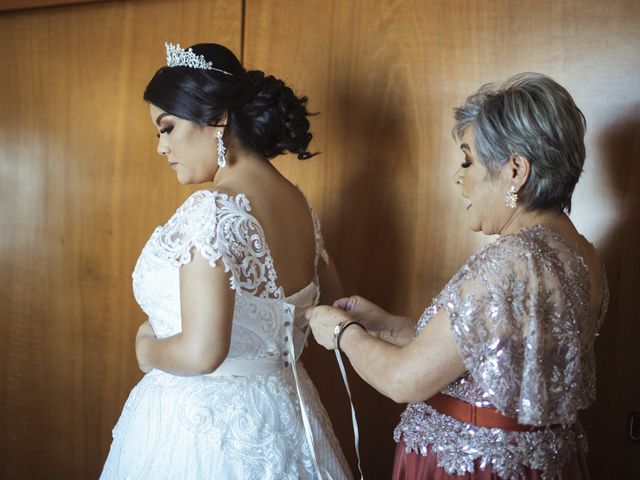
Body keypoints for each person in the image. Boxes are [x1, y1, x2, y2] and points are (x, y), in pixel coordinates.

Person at [307, 73, 608, 479]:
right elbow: (493, 356)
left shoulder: (512, 260)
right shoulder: (584, 256)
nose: (458, 175)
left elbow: (404, 381)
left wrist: (343, 333)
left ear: (516, 169)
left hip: (473, 467)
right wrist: (389, 327)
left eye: (468, 159)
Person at [100, 43, 351, 480]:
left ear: (218, 118)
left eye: (167, 127)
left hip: (204, 430)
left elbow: (201, 353)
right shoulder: (299, 206)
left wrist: (147, 349)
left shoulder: (213, 209)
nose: (161, 147)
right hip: (288, 415)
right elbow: (340, 307)